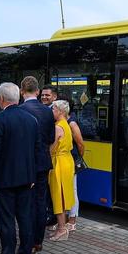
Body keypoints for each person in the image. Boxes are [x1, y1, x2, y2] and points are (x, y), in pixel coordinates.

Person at [0, 83, 39, 254]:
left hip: (4, 181)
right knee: (25, 218)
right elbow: (37, 150)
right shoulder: (31, 120)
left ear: (1, 99)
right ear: (18, 98)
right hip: (26, 180)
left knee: (6, 222)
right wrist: (32, 176)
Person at [19, 76, 55, 254]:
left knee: (26, 204)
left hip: (25, 165)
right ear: (38, 91)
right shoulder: (48, 111)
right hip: (42, 163)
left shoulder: (19, 110)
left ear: (21, 91)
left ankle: (27, 241)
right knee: (40, 203)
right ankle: (37, 241)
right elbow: (50, 139)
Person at [48, 99, 75, 241]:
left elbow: (51, 148)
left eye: (53, 109)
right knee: (64, 195)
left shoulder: (58, 127)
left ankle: (62, 229)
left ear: (60, 111)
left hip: (58, 162)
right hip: (67, 160)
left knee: (58, 196)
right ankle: (62, 227)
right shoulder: (66, 125)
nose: (51, 111)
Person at [65, 98, 85, 232]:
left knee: (73, 190)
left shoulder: (71, 123)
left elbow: (80, 144)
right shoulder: (62, 121)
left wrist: (78, 159)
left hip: (71, 160)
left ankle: (72, 220)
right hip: (64, 161)